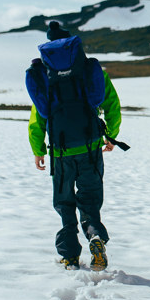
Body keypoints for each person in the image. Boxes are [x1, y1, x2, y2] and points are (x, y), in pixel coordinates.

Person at [27, 21, 122, 271]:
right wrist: (111, 135)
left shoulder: (44, 77)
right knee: (90, 200)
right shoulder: (90, 70)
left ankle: (69, 256)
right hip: (90, 149)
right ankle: (95, 236)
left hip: (60, 153)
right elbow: (112, 104)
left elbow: (38, 118)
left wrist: (38, 149)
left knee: (65, 203)